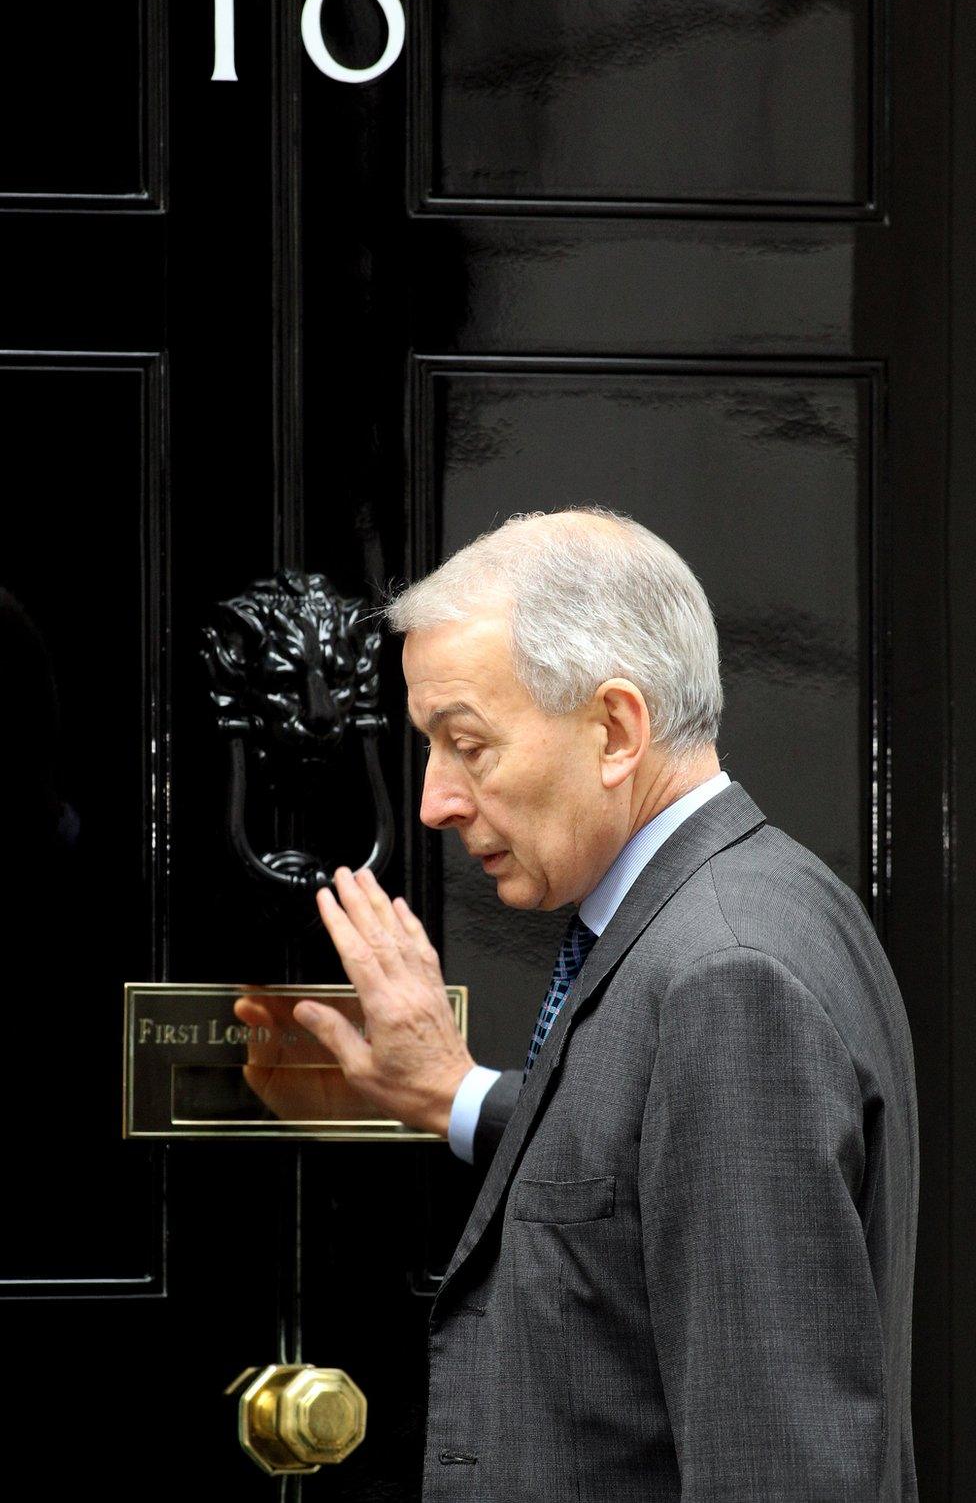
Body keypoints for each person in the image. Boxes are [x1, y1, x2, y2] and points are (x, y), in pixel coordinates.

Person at [290, 508, 919, 1501]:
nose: (433, 801)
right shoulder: (723, 913)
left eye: (466, 743)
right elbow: (635, 1182)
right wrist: (455, 1093)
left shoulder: (727, 973)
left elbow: (776, 1463)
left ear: (615, 729)